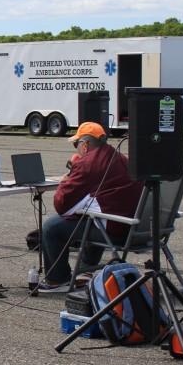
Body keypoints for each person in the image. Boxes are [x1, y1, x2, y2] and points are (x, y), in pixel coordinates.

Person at [36, 122, 143, 293]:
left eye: (76, 144)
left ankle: (57, 279)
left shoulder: (87, 164)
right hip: (136, 228)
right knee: (92, 216)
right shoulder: (120, 158)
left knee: (51, 227)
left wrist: (66, 180)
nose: (76, 148)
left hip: (115, 231)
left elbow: (62, 206)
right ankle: (85, 270)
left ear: (85, 145)